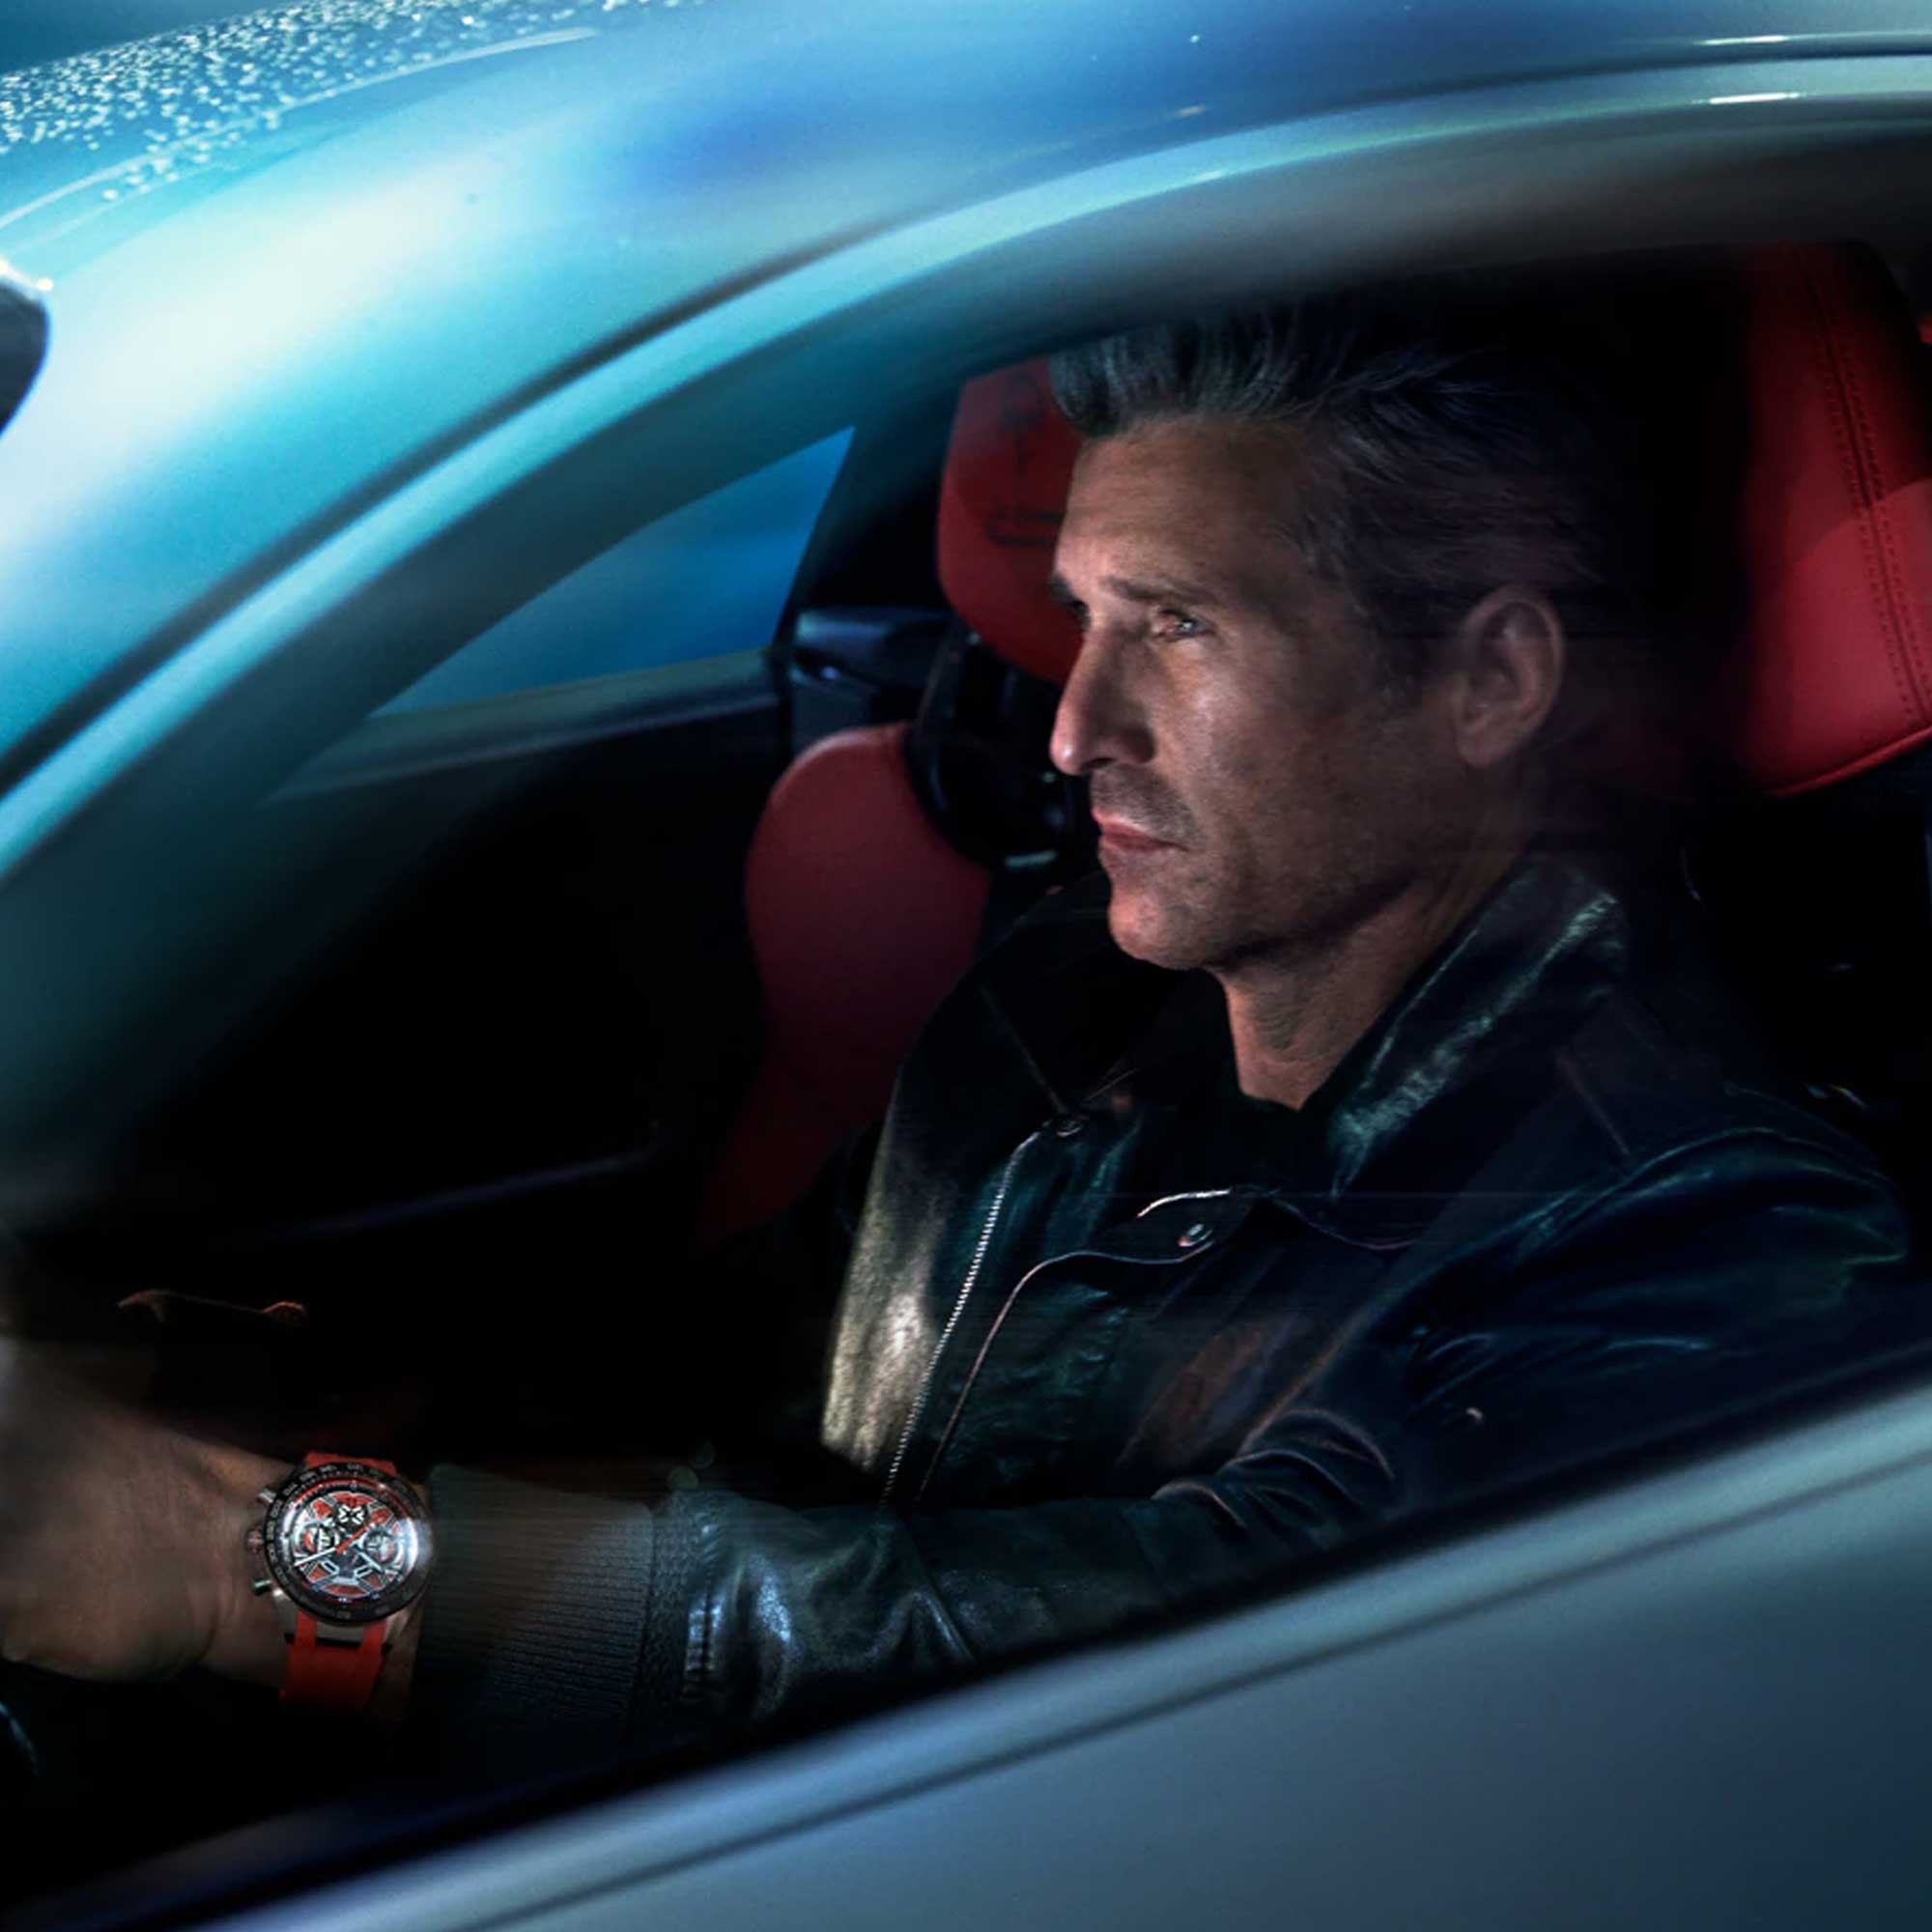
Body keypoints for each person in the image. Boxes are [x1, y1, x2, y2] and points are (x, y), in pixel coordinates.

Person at [0, 285, 1914, 1769]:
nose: (1074, 728)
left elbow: (1142, 1665)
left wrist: (241, 1562)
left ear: (1489, 677)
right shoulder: (1076, 995)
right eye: (1079, 613)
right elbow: (733, 1348)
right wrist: (244, 1388)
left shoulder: (1714, 1232)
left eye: (1177, 626)